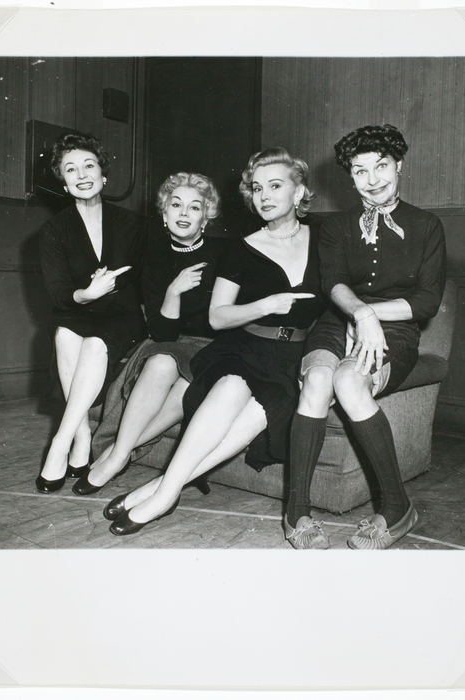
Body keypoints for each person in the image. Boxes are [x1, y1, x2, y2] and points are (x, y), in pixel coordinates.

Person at [106, 147, 326, 537]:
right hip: (246, 348)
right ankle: (164, 496)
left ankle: (158, 489)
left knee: (257, 414)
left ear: (298, 192)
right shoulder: (242, 246)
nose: (264, 196)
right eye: (257, 188)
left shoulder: (325, 239)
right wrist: (265, 305)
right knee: (229, 387)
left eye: (275, 186)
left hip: (294, 357)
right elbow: (217, 316)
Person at [284, 124, 446, 549]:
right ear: (350, 176)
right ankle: (296, 509)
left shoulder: (427, 225)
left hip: (396, 329)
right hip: (337, 320)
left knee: (348, 380)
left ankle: (397, 507)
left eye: (381, 166)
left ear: (399, 166)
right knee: (318, 379)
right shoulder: (336, 226)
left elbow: (427, 302)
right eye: (360, 171)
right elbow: (333, 283)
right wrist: (359, 312)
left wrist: (372, 315)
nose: (372, 179)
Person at [72, 172, 226, 495]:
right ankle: (118, 457)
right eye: (176, 205)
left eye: (194, 207)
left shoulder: (223, 254)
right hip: (170, 344)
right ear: (165, 214)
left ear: (205, 218)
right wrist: (174, 291)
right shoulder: (154, 260)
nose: (184, 213)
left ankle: (118, 452)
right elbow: (163, 333)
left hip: (217, 346)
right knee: (162, 361)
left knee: (189, 382)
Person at [36, 132, 146, 493]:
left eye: (89, 165)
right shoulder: (54, 229)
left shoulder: (132, 223)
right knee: (64, 333)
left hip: (121, 314)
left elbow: (146, 278)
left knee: (95, 343)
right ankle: (81, 436)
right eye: (71, 169)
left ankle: (59, 443)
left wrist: (110, 289)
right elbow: (58, 294)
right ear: (64, 183)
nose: (81, 174)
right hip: (76, 309)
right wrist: (87, 293)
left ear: (104, 175)